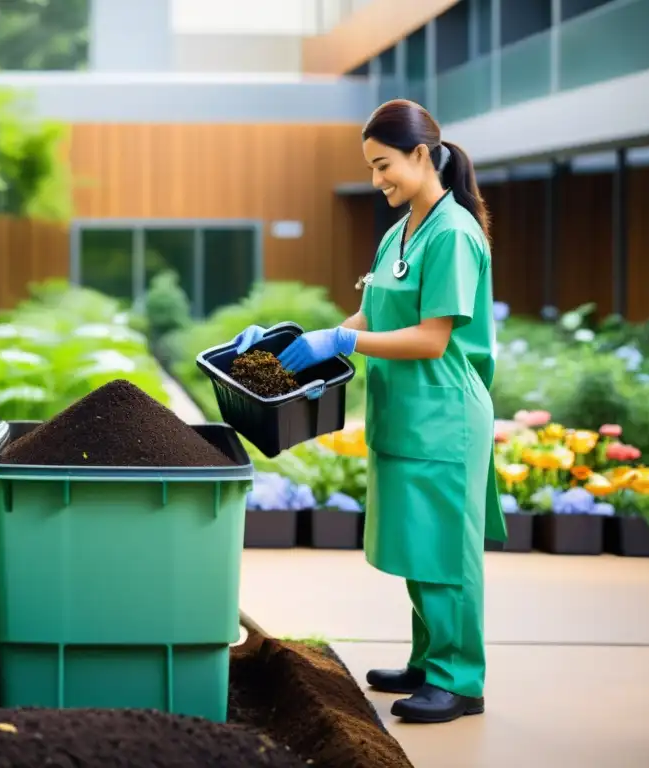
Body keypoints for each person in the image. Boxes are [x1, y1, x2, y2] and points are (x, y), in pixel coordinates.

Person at [232, 99, 507, 724]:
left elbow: (433, 338)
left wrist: (346, 343)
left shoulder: (455, 234)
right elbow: (374, 317)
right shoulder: (399, 230)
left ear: (420, 155)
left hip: (444, 417)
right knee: (417, 546)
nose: (377, 180)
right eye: (371, 169)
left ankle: (460, 679)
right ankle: (428, 660)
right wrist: (301, 346)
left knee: (445, 555)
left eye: (385, 166)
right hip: (404, 414)